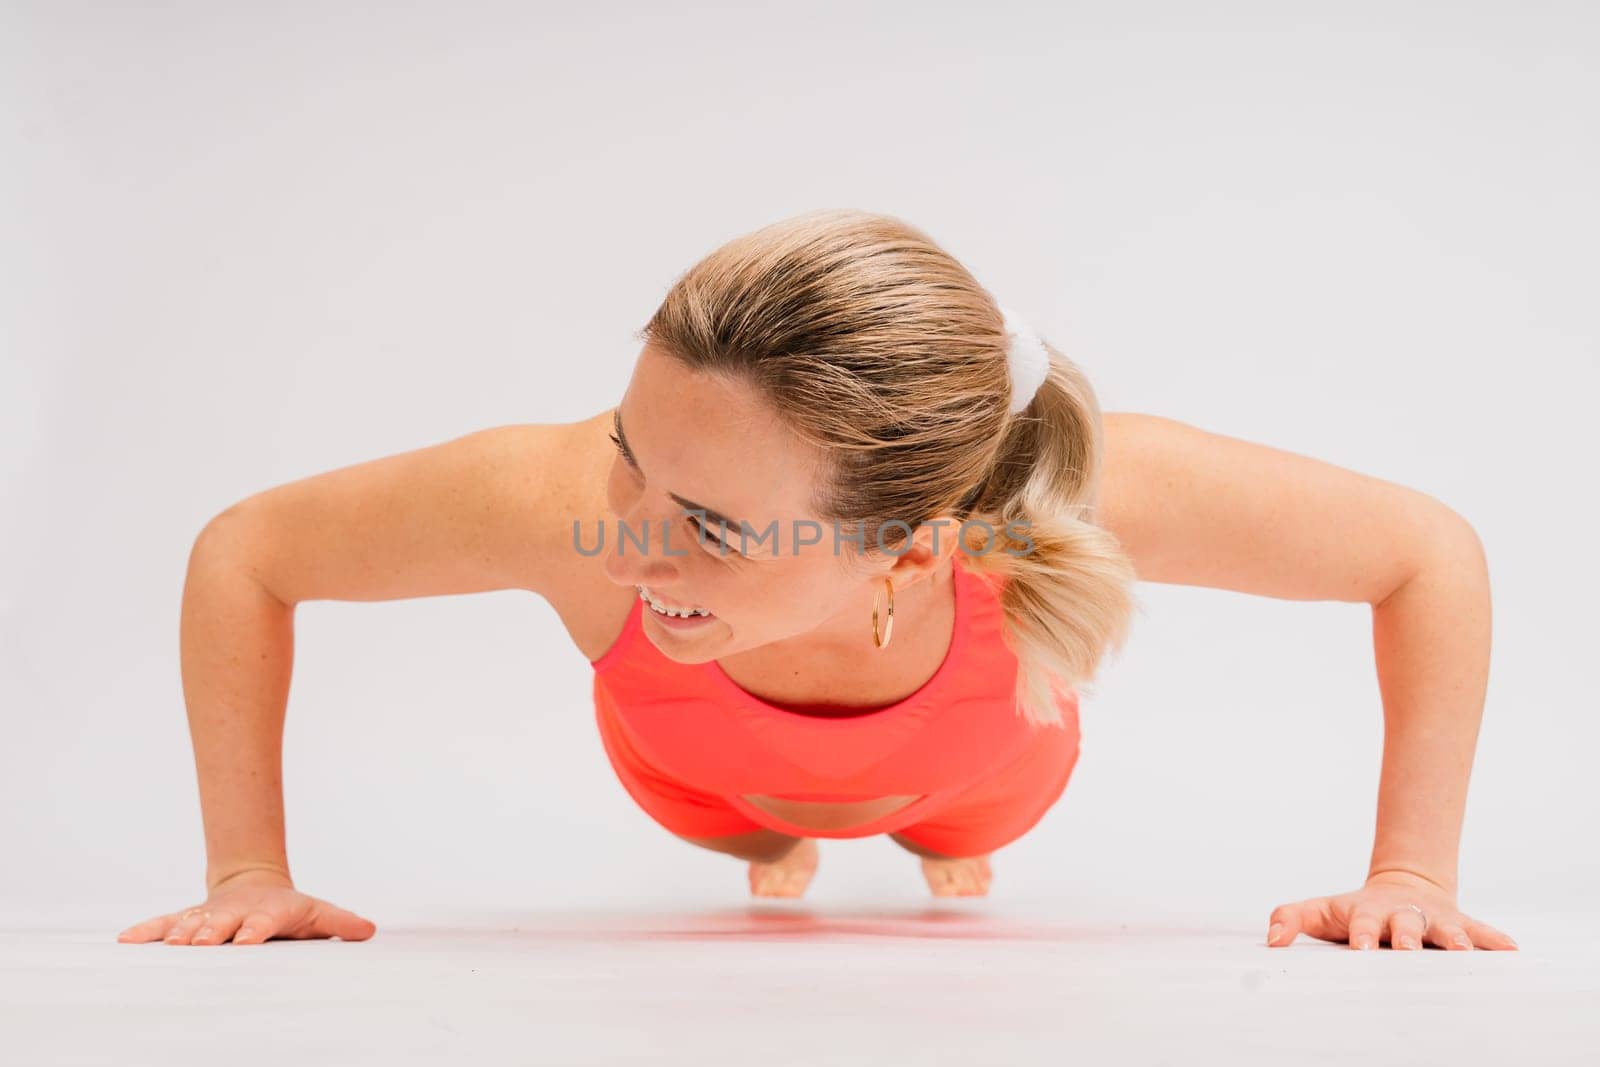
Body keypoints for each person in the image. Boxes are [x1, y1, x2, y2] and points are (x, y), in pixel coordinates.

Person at [116, 209, 1517, 952]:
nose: (630, 538)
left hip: (985, 776)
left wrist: (1410, 874)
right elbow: (247, 551)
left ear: (916, 547)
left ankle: (926, 837)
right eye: (628, 455)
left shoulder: (1060, 509)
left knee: (957, 832)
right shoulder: (559, 509)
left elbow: (1424, 555)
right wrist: (252, 872)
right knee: (753, 836)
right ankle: (774, 841)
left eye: (712, 527)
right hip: (692, 781)